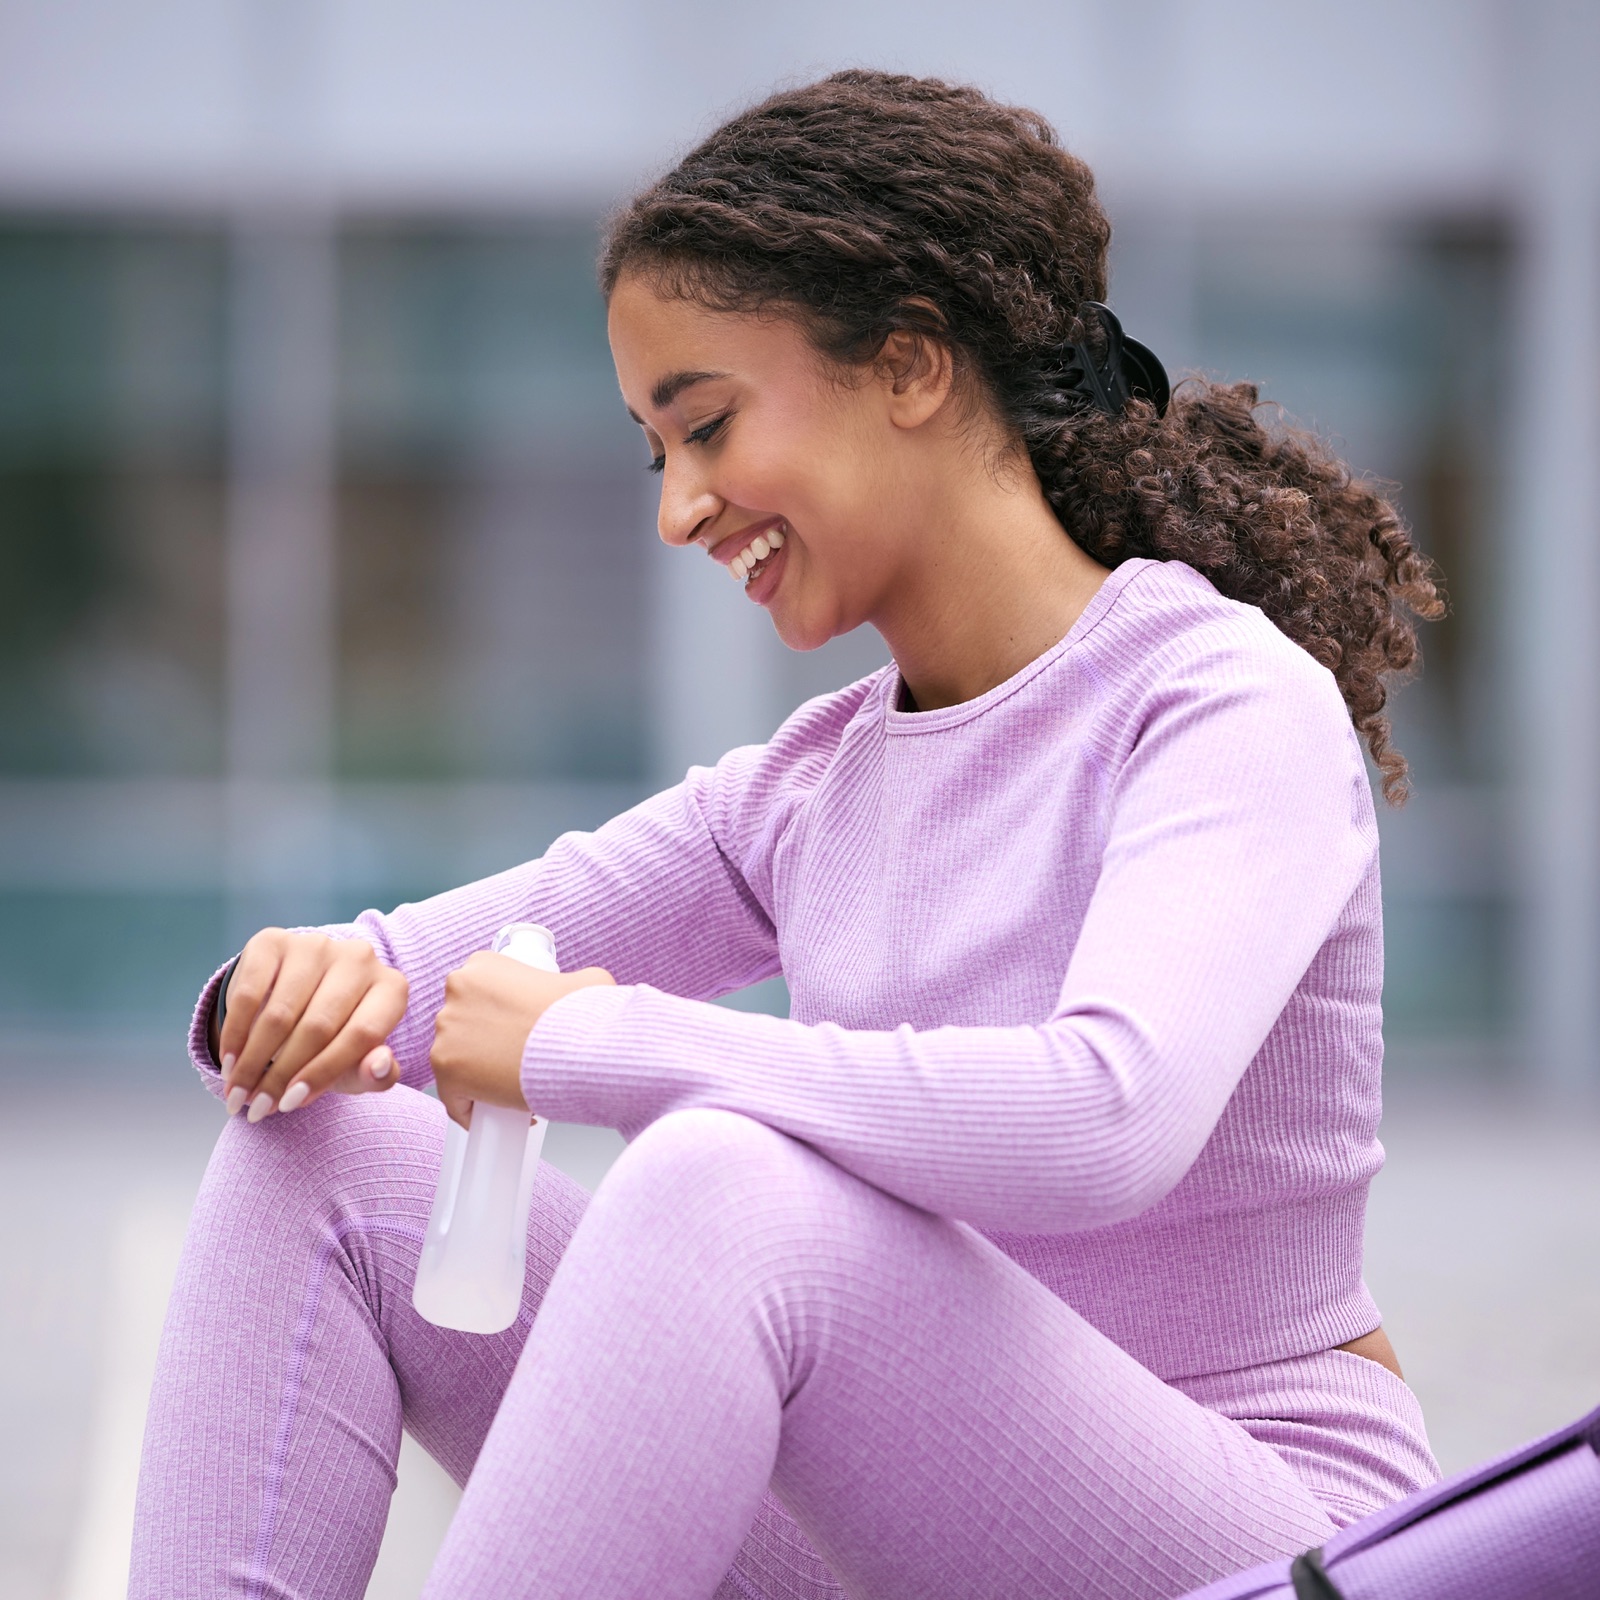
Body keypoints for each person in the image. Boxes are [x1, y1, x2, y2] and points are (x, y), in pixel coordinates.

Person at [131, 70, 1446, 1600]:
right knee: (331, 1155)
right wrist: (296, 989)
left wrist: (591, 1048)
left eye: (705, 425)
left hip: (1245, 1545)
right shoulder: (813, 786)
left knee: (725, 1190)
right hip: (909, 1538)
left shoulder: (1221, 703)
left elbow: (1107, 1116)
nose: (681, 508)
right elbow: (440, 969)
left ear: (907, 365)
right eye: (654, 454)